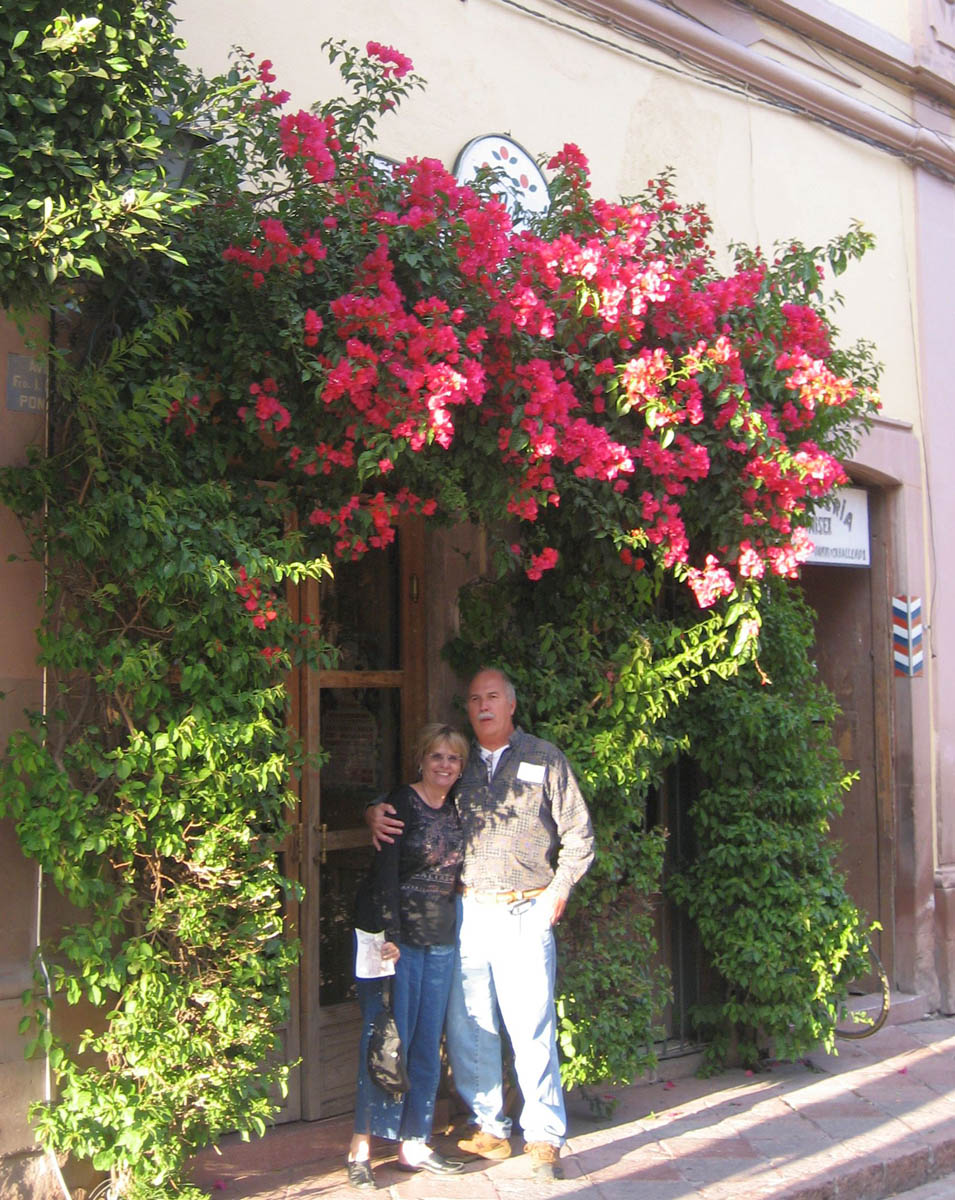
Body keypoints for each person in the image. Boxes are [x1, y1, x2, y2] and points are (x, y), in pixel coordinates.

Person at [368, 668, 595, 1181]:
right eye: (474, 699)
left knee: (531, 1026)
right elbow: (415, 801)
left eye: (492, 697)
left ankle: (544, 1136)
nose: (483, 706)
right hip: (467, 912)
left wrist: (558, 892)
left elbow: (579, 834)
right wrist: (372, 811)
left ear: (511, 705)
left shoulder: (545, 758)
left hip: (525, 909)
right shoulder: (460, 764)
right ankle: (490, 1126)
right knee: (471, 1026)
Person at [347, 723, 470, 1190]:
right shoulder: (401, 803)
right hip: (394, 940)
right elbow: (385, 872)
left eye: (453, 758)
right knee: (384, 1038)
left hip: (440, 940)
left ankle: (414, 1142)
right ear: (421, 759)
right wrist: (391, 936)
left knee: (424, 1043)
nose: (445, 765)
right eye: (437, 756)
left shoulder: (459, 808)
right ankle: (361, 1147)